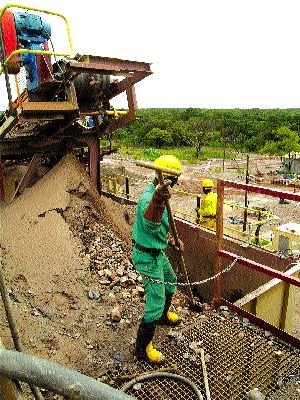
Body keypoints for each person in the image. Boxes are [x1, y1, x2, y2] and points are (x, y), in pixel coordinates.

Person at [132, 154, 182, 364]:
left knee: (171, 281)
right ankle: (142, 349)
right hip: (145, 255)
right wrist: (157, 202)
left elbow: (159, 229)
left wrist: (171, 240)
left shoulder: (160, 195)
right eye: (175, 179)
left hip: (157, 252)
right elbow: (151, 224)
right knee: (156, 300)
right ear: (168, 178)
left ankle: (162, 316)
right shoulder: (149, 199)